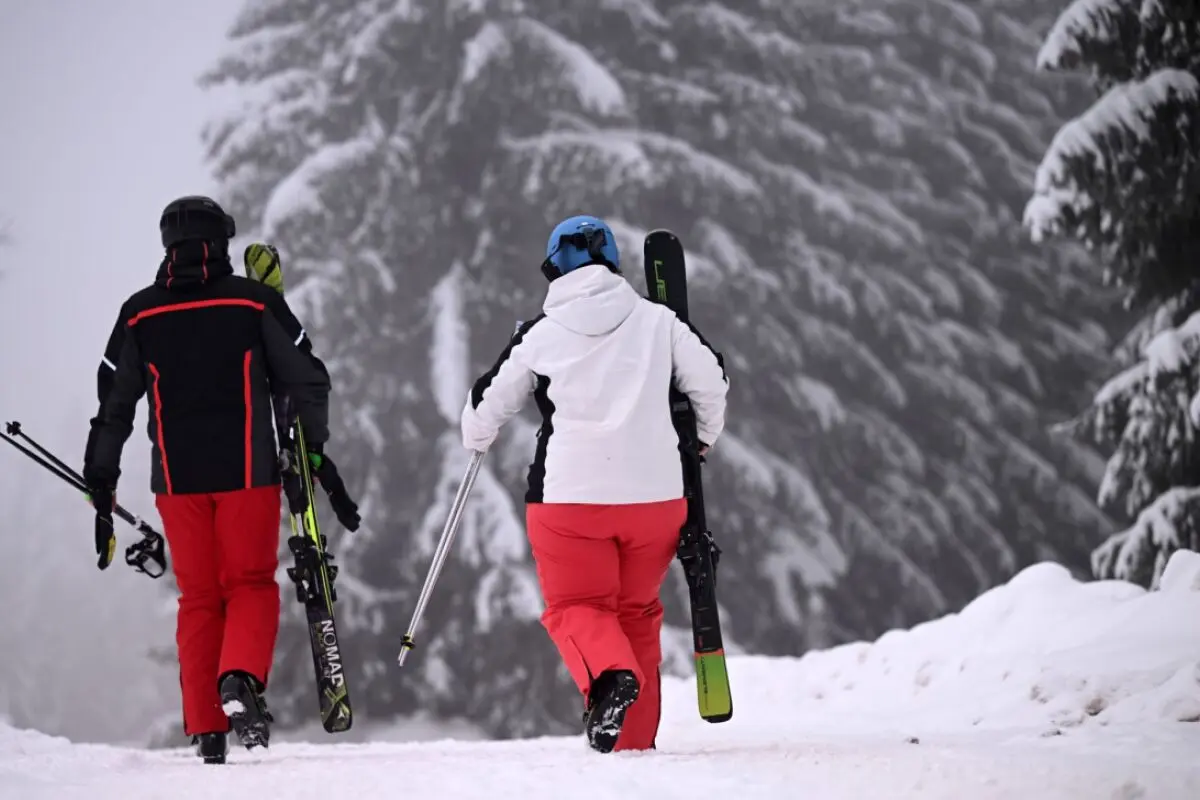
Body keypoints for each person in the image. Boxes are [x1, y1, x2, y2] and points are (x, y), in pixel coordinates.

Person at [81, 197, 350, 764]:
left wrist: (101, 479)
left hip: (176, 483)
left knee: (199, 598)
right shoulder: (253, 302)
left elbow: (113, 405)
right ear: (221, 242)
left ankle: (208, 730)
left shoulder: (138, 314)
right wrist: (312, 451)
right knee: (250, 584)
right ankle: (240, 681)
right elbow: (309, 379)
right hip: (248, 475)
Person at [460, 214, 729, 753]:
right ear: (614, 262)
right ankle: (631, 748)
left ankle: (608, 677)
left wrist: (478, 435)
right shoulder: (660, 322)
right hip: (656, 500)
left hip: (570, 502)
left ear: (554, 268)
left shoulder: (540, 333)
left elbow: (482, 412)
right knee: (637, 613)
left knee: (576, 607)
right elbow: (711, 382)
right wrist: (700, 441)